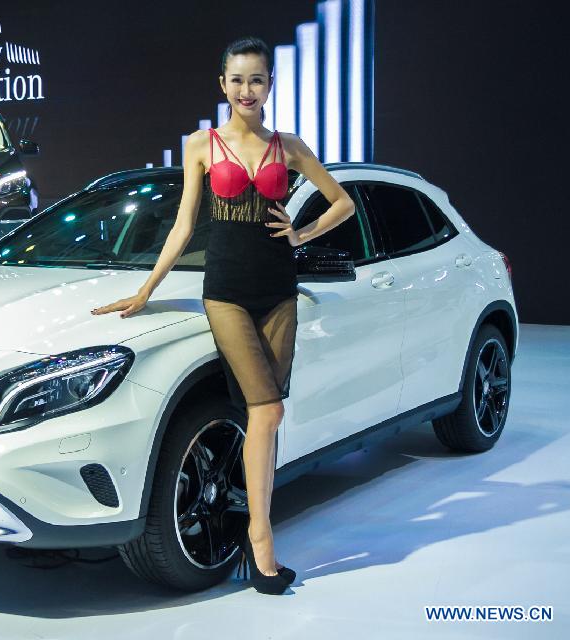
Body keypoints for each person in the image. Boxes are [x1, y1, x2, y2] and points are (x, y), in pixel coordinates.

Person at [91, 36, 355, 594]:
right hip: (227, 290)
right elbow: (184, 225)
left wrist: (302, 233)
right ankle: (261, 543)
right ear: (222, 85)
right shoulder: (199, 145)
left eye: (257, 79)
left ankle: (254, 532)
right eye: (237, 80)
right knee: (265, 408)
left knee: (270, 414)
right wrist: (145, 291)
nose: (246, 90)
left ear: (270, 84)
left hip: (279, 288)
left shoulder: (289, 145)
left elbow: (344, 203)